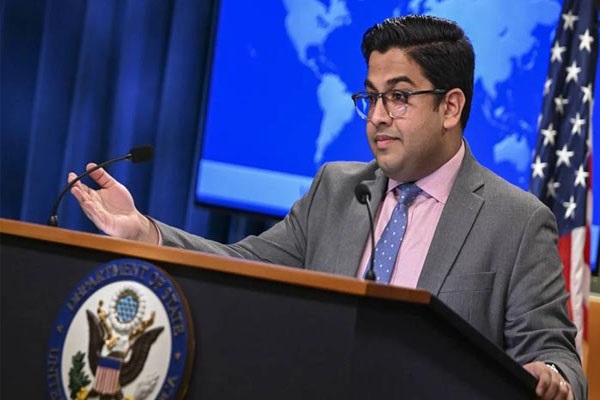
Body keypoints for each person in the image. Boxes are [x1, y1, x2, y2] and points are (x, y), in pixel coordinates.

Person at [69, 15, 586, 400]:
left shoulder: (516, 220)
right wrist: (144, 232)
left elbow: (558, 356)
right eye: (371, 97)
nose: (377, 117)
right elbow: (244, 264)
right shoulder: (336, 189)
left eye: (399, 98)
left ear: (450, 106)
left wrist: (551, 376)